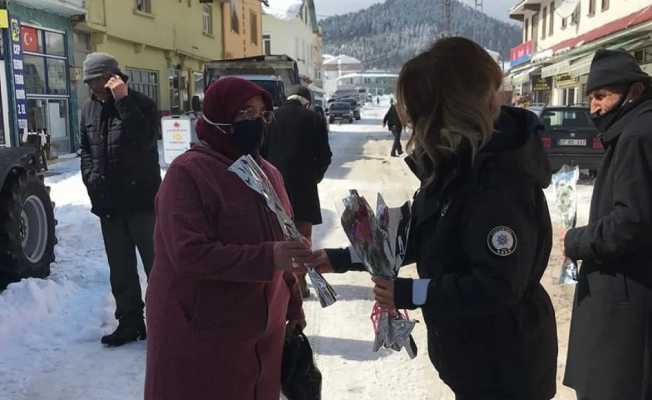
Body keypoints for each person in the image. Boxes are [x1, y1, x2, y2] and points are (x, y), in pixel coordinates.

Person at [304, 37, 558, 400]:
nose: (413, 126)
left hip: (505, 368)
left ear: (451, 110)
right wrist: (342, 258)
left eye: (422, 113)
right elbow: (413, 235)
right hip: (473, 360)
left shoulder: (498, 180)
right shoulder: (455, 166)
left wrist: (412, 292)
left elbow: (496, 285)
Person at [145, 77, 310, 400]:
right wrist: (268, 257)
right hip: (201, 330)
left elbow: (284, 244)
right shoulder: (188, 173)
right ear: (217, 116)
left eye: (262, 114)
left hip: (262, 332)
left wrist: (293, 306)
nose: (257, 122)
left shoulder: (268, 173)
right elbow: (188, 253)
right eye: (245, 112)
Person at [562, 49, 652, 400]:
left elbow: (630, 222)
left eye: (602, 96)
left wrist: (576, 241)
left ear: (634, 92)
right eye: (590, 98)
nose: (594, 107)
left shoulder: (637, 136)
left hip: (626, 302)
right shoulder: (632, 130)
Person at [80, 52, 161, 347]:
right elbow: (86, 150)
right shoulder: (89, 109)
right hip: (110, 205)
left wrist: (123, 101)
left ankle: (164, 325)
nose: (92, 88)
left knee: (157, 268)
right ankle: (129, 323)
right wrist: (91, 180)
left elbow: (146, 139)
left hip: (142, 203)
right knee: (121, 270)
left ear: (112, 77)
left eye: (95, 81)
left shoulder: (142, 104)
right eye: (88, 83)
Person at [263, 86, 332, 298]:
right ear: (307, 102)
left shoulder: (271, 118)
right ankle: (300, 283)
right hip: (304, 189)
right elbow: (325, 156)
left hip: (274, 189)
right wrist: (314, 177)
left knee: (278, 236)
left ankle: (280, 284)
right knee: (302, 238)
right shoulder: (313, 118)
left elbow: (261, 153)